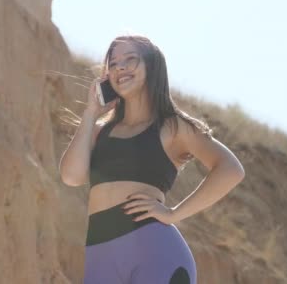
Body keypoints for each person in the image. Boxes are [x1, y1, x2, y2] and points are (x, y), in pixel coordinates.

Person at [59, 35, 245, 284]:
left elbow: (231, 169)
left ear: (152, 66)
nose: (120, 67)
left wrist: (173, 214)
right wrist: (91, 113)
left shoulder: (172, 126)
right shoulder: (100, 130)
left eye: (130, 59)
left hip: (155, 253)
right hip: (99, 255)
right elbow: (71, 176)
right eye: (113, 64)